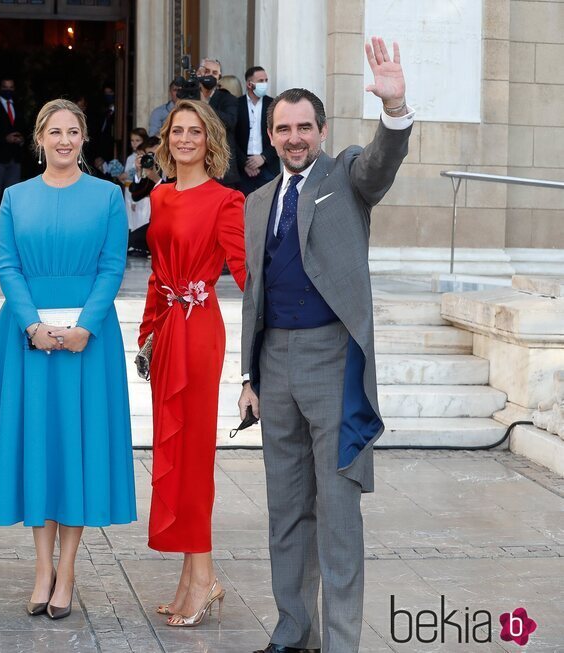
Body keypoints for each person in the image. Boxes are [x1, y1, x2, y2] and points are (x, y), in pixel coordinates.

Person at [238, 38, 413, 653]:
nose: (293, 138)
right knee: (286, 513)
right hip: (274, 368)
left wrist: (394, 110)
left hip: (332, 363)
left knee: (338, 515)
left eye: (304, 127)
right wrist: (248, 376)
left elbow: (381, 164)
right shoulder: (257, 202)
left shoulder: (345, 178)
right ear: (270, 132)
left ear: (321, 130)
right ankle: (294, 632)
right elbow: (253, 294)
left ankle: (341, 642)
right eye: (282, 128)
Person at [0, 99, 135, 621]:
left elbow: (113, 266)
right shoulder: (15, 197)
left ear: (84, 138)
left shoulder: (109, 197)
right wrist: (31, 325)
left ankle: (67, 571)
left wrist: (85, 326)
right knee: (40, 450)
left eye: (73, 131)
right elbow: (7, 264)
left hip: (89, 341)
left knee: (76, 452)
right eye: (54, 132)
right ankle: (42, 568)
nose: (64, 140)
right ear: (40, 138)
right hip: (28, 340)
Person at [139, 99, 246, 627]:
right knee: (173, 451)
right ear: (167, 139)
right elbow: (157, 275)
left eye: (195, 132)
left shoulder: (227, 200)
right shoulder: (158, 197)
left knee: (196, 454)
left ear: (210, 141)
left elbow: (248, 274)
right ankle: (191, 574)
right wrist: (146, 335)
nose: (185, 139)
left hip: (201, 332)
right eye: (177, 131)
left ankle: (202, 576)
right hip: (166, 333)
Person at [0, 77, 26, 247]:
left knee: (12, 199)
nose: (8, 90)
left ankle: (9, 237)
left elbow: (24, 125)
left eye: (11, 87)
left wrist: (20, 138)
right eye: (5, 87)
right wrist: (5, 139)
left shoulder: (17, 105)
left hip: (14, 158)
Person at [196, 58, 242, 190]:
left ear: (219, 78)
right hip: (196, 166)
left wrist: (205, 106)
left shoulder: (228, 99)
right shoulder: (190, 97)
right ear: (200, 73)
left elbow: (230, 122)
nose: (210, 75)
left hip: (222, 170)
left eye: (214, 73)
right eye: (206, 71)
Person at [235, 66, 280, 196]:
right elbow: (231, 138)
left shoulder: (274, 104)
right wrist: (245, 162)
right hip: (242, 168)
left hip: (268, 166)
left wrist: (264, 157)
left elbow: (280, 135)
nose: (264, 84)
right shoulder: (237, 104)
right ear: (249, 84)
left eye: (266, 80)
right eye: (260, 81)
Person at [127, 136, 163, 257]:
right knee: (130, 240)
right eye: (151, 154)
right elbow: (136, 196)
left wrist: (157, 178)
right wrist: (138, 172)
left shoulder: (177, 167)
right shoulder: (152, 170)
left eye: (157, 153)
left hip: (175, 223)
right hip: (156, 224)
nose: (155, 157)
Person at [119, 127, 149, 248]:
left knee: (141, 217)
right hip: (128, 190)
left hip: (140, 191)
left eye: (138, 140)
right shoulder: (130, 158)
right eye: (132, 140)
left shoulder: (146, 158)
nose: (134, 143)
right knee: (130, 217)